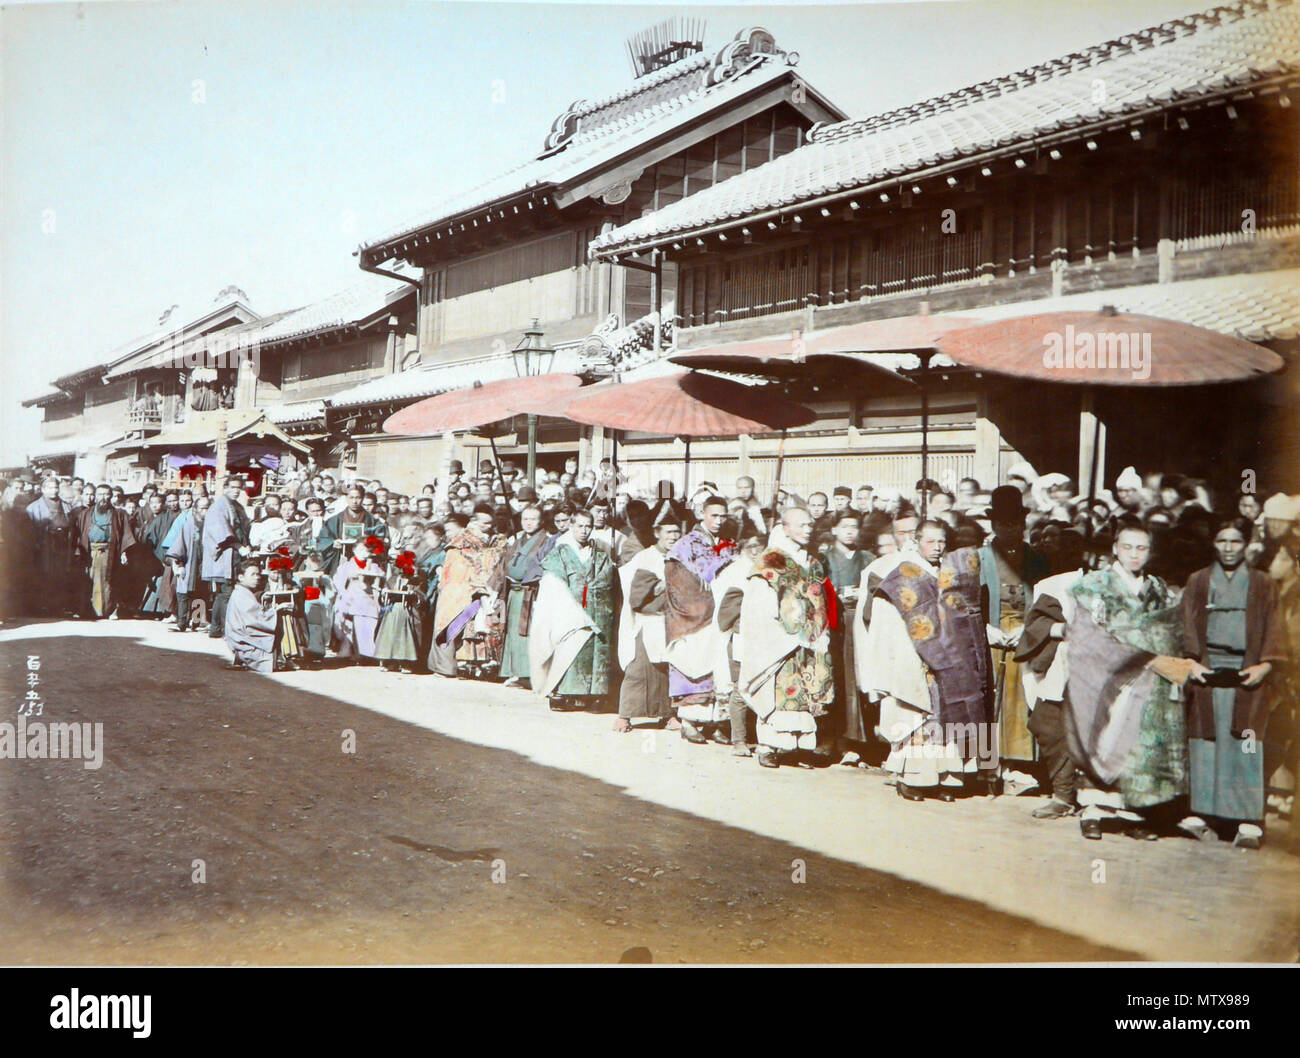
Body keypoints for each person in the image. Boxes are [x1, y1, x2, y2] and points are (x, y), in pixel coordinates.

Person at [1067, 523, 1196, 841]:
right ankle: (1094, 811)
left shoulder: (1157, 587)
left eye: (1142, 548)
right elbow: (1089, 633)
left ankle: (1133, 813)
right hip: (1107, 676)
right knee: (1104, 740)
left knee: (1138, 744)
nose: (1134, 554)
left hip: (1147, 680)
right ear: (1115, 548)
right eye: (1128, 547)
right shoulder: (1095, 585)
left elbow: (1167, 631)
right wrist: (1130, 652)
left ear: (1150, 552)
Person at [862, 519, 994, 800]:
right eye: (931, 541)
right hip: (914, 656)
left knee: (947, 716)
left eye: (942, 541)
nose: (938, 547)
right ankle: (913, 778)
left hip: (948, 659)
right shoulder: (902, 575)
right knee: (918, 717)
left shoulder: (950, 574)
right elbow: (886, 622)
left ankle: (945, 777)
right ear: (917, 540)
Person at [1179, 518, 1284, 849]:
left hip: (1248, 672)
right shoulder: (1198, 581)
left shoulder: (1263, 584)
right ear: (1213, 543)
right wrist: (1191, 662)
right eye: (1222, 541)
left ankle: (1248, 819)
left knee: (1247, 743)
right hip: (1207, 671)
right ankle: (1202, 814)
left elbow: (1275, 630)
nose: (1228, 548)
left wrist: (1265, 666)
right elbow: (1186, 625)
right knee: (1205, 743)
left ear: (1246, 544)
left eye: (1235, 541)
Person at [736, 507, 835, 769]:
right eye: (801, 525)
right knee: (780, 691)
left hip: (810, 639)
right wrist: (779, 633)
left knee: (805, 693)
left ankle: (796, 747)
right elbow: (758, 604)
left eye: (810, 525)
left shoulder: (813, 562)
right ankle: (769, 746)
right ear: (786, 526)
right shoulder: (771, 560)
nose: (807, 530)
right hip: (782, 640)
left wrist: (820, 632)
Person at [979, 485, 1049, 793]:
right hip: (991, 633)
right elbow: (968, 601)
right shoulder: (978, 558)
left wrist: (1028, 627)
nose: (1009, 527)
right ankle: (988, 763)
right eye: (1002, 521)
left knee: (1021, 698)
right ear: (993, 524)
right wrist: (985, 628)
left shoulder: (1036, 558)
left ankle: (1018, 765)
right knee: (989, 697)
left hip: (1025, 633)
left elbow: (1046, 599)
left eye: (1014, 522)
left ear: (1023, 524)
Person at [1015, 529, 1089, 819]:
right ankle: (1063, 792)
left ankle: (1077, 794)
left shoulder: (1095, 582)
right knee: (1046, 722)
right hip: (1058, 660)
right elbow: (1037, 625)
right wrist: (1058, 629)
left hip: (1088, 661)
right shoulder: (1046, 583)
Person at [664, 495, 736, 744]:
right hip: (695, 614)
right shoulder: (686, 545)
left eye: (722, 516)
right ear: (701, 515)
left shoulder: (728, 544)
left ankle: (715, 722)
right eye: (714, 515)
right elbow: (677, 582)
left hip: (719, 613)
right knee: (695, 663)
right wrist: (700, 604)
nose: (719, 520)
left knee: (720, 667)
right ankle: (690, 720)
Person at [530, 508, 617, 710]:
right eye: (580, 526)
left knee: (595, 647)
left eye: (589, 526)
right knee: (569, 647)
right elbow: (553, 582)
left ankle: (593, 694)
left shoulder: (600, 555)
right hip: (569, 609)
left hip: (596, 608)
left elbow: (606, 580)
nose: (584, 531)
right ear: (571, 526)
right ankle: (565, 692)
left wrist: (595, 588)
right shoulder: (560, 552)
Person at [614, 502, 681, 732]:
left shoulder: (680, 556)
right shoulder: (645, 558)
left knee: (666, 669)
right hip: (646, 620)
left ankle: (667, 714)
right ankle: (625, 715)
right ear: (657, 533)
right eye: (668, 532)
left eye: (676, 531)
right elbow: (636, 595)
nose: (673, 536)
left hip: (670, 621)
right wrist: (658, 588)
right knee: (639, 669)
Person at [431, 505, 507, 678]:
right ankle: (450, 666)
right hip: (461, 588)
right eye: (483, 523)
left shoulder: (495, 540)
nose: (487, 526)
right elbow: (455, 570)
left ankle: (478, 665)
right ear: (473, 522)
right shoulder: (461, 542)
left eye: (490, 523)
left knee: (479, 625)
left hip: (485, 588)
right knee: (454, 622)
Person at [711, 531, 766, 756]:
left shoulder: (768, 569)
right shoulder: (736, 573)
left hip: (764, 639)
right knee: (740, 688)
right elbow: (725, 614)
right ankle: (739, 740)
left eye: (759, 546)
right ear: (741, 548)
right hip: (741, 637)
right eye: (750, 546)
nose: (755, 550)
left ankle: (759, 737)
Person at [823, 510, 870, 761]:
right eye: (845, 527)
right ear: (834, 530)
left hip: (858, 623)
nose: (850, 531)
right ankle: (830, 739)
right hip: (834, 623)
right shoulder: (824, 558)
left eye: (855, 526)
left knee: (856, 680)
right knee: (834, 678)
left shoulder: (867, 558)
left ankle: (855, 742)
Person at [499, 506, 554, 687]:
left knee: (526, 632)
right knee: (512, 632)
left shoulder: (546, 540)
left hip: (531, 593)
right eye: (525, 519)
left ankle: (527, 674)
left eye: (533, 519)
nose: (529, 523)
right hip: (513, 591)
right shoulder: (517, 540)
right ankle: (513, 671)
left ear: (541, 521)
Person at [72, 484, 135, 619]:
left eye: (106, 494)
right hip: (90, 552)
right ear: (95, 496)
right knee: (87, 580)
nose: (103, 498)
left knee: (109, 582)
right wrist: (78, 552)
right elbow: (78, 535)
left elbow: (125, 534)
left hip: (110, 552)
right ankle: (86, 610)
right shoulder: (85, 514)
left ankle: (111, 610)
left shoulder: (119, 514)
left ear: (111, 496)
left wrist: (124, 552)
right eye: (100, 494)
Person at [201, 475, 252, 640]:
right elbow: (221, 533)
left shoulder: (236, 506)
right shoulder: (218, 507)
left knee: (225, 592)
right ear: (225, 487)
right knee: (226, 592)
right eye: (233, 487)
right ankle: (222, 628)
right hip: (225, 554)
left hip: (234, 552)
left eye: (239, 487)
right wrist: (239, 546)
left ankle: (217, 628)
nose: (236, 491)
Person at [26, 474, 77, 615]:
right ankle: (43, 606)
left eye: (56, 487)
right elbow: (29, 531)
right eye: (50, 487)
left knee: (61, 574)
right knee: (44, 574)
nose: (54, 490)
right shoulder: (33, 507)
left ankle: (60, 606)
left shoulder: (66, 506)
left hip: (63, 545)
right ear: (43, 489)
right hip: (44, 546)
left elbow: (72, 526)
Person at [333, 538, 384, 664]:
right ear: (355, 550)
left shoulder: (374, 567)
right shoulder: (346, 566)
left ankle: (367, 653)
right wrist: (344, 595)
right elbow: (339, 583)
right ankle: (351, 650)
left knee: (368, 621)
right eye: (360, 550)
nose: (363, 553)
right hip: (351, 597)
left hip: (369, 599)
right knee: (349, 619)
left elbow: (380, 583)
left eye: (366, 550)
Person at [224, 559, 280, 673]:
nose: (257, 577)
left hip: (242, 637)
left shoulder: (243, 592)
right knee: (281, 618)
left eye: (258, 574)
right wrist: (275, 611)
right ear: (241, 577)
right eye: (253, 574)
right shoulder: (242, 595)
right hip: (243, 642)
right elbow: (258, 619)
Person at [320, 485, 388, 574]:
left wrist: (370, 545)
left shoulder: (373, 520)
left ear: (362, 498)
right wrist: (333, 543)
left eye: (358, 498)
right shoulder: (335, 520)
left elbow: (381, 540)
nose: (354, 501)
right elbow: (323, 538)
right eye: (351, 497)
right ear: (346, 499)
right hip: (340, 558)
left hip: (365, 560)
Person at [376, 548, 424, 673]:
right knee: (389, 629)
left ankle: (405, 661)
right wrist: (384, 593)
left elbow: (421, 597)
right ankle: (389, 660)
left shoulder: (417, 580)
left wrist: (414, 594)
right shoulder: (392, 579)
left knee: (404, 630)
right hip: (392, 609)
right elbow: (384, 595)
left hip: (407, 610)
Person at [296, 550, 336, 664]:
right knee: (308, 624)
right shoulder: (301, 574)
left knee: (321, 625)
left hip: (319, 601)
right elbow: (296, 585)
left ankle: (320, 650)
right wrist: (302, 582)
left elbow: (331, 592)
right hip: (306, 601)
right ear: (306, 561)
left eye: (318, 561)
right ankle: (307, 650)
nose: (315, 563)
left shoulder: (324, 576)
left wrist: (323, 582)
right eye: (312, 560)